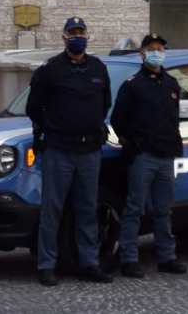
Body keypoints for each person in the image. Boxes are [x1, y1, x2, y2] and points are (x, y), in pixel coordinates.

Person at [27, 16, 113, 287]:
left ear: (88, 36)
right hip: (59, 149)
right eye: (72, 32)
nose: (77, 36)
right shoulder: (50, 70)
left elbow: (105, 103)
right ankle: (46, 265)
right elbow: (33, 107)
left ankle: (89, 263)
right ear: (64, 37)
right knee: (52, 210)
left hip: (89, 150)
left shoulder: (98, 67)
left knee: (87, 210)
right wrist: (54, 126)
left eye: (81, 32)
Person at [109, 33, 187, 278]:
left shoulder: (171, 83)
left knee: (164, 210)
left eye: (160, 49)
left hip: (167, 154)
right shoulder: (133, 85)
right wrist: (133, 144)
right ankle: (129, 259)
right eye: (151, 48)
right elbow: (118, 120)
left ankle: (166, 257)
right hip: (144, 156)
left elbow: (173, 118)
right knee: (135, 208)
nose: (156, 52)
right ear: (142, 54)